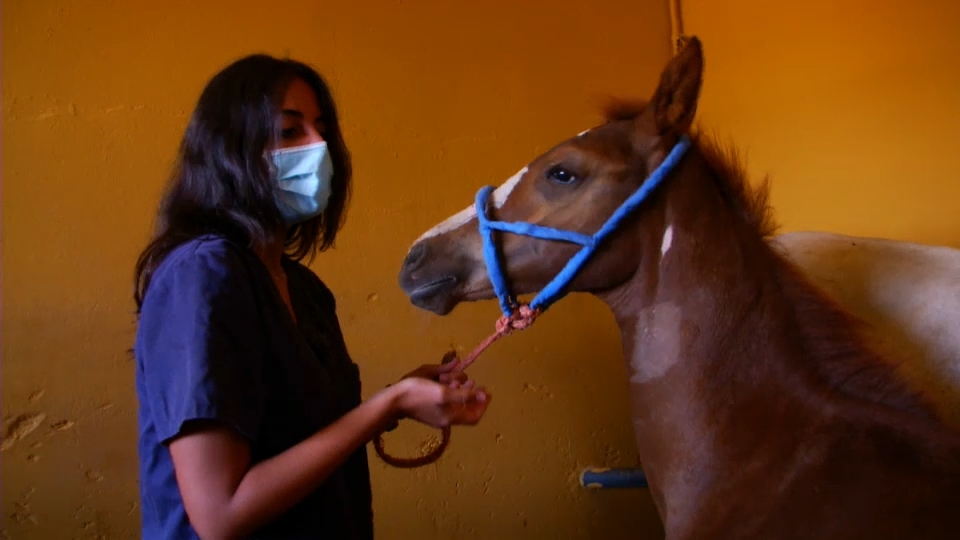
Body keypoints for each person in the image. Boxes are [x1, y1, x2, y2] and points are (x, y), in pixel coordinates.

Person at [132, 54, 492, 540]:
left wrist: (397, 400)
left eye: (322, 128)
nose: (320, 146)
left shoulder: (304, 289)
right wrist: (385, 408)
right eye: (288, 131)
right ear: (228, 149)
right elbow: (221, 515)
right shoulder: (203, 273)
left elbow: (300, 434)